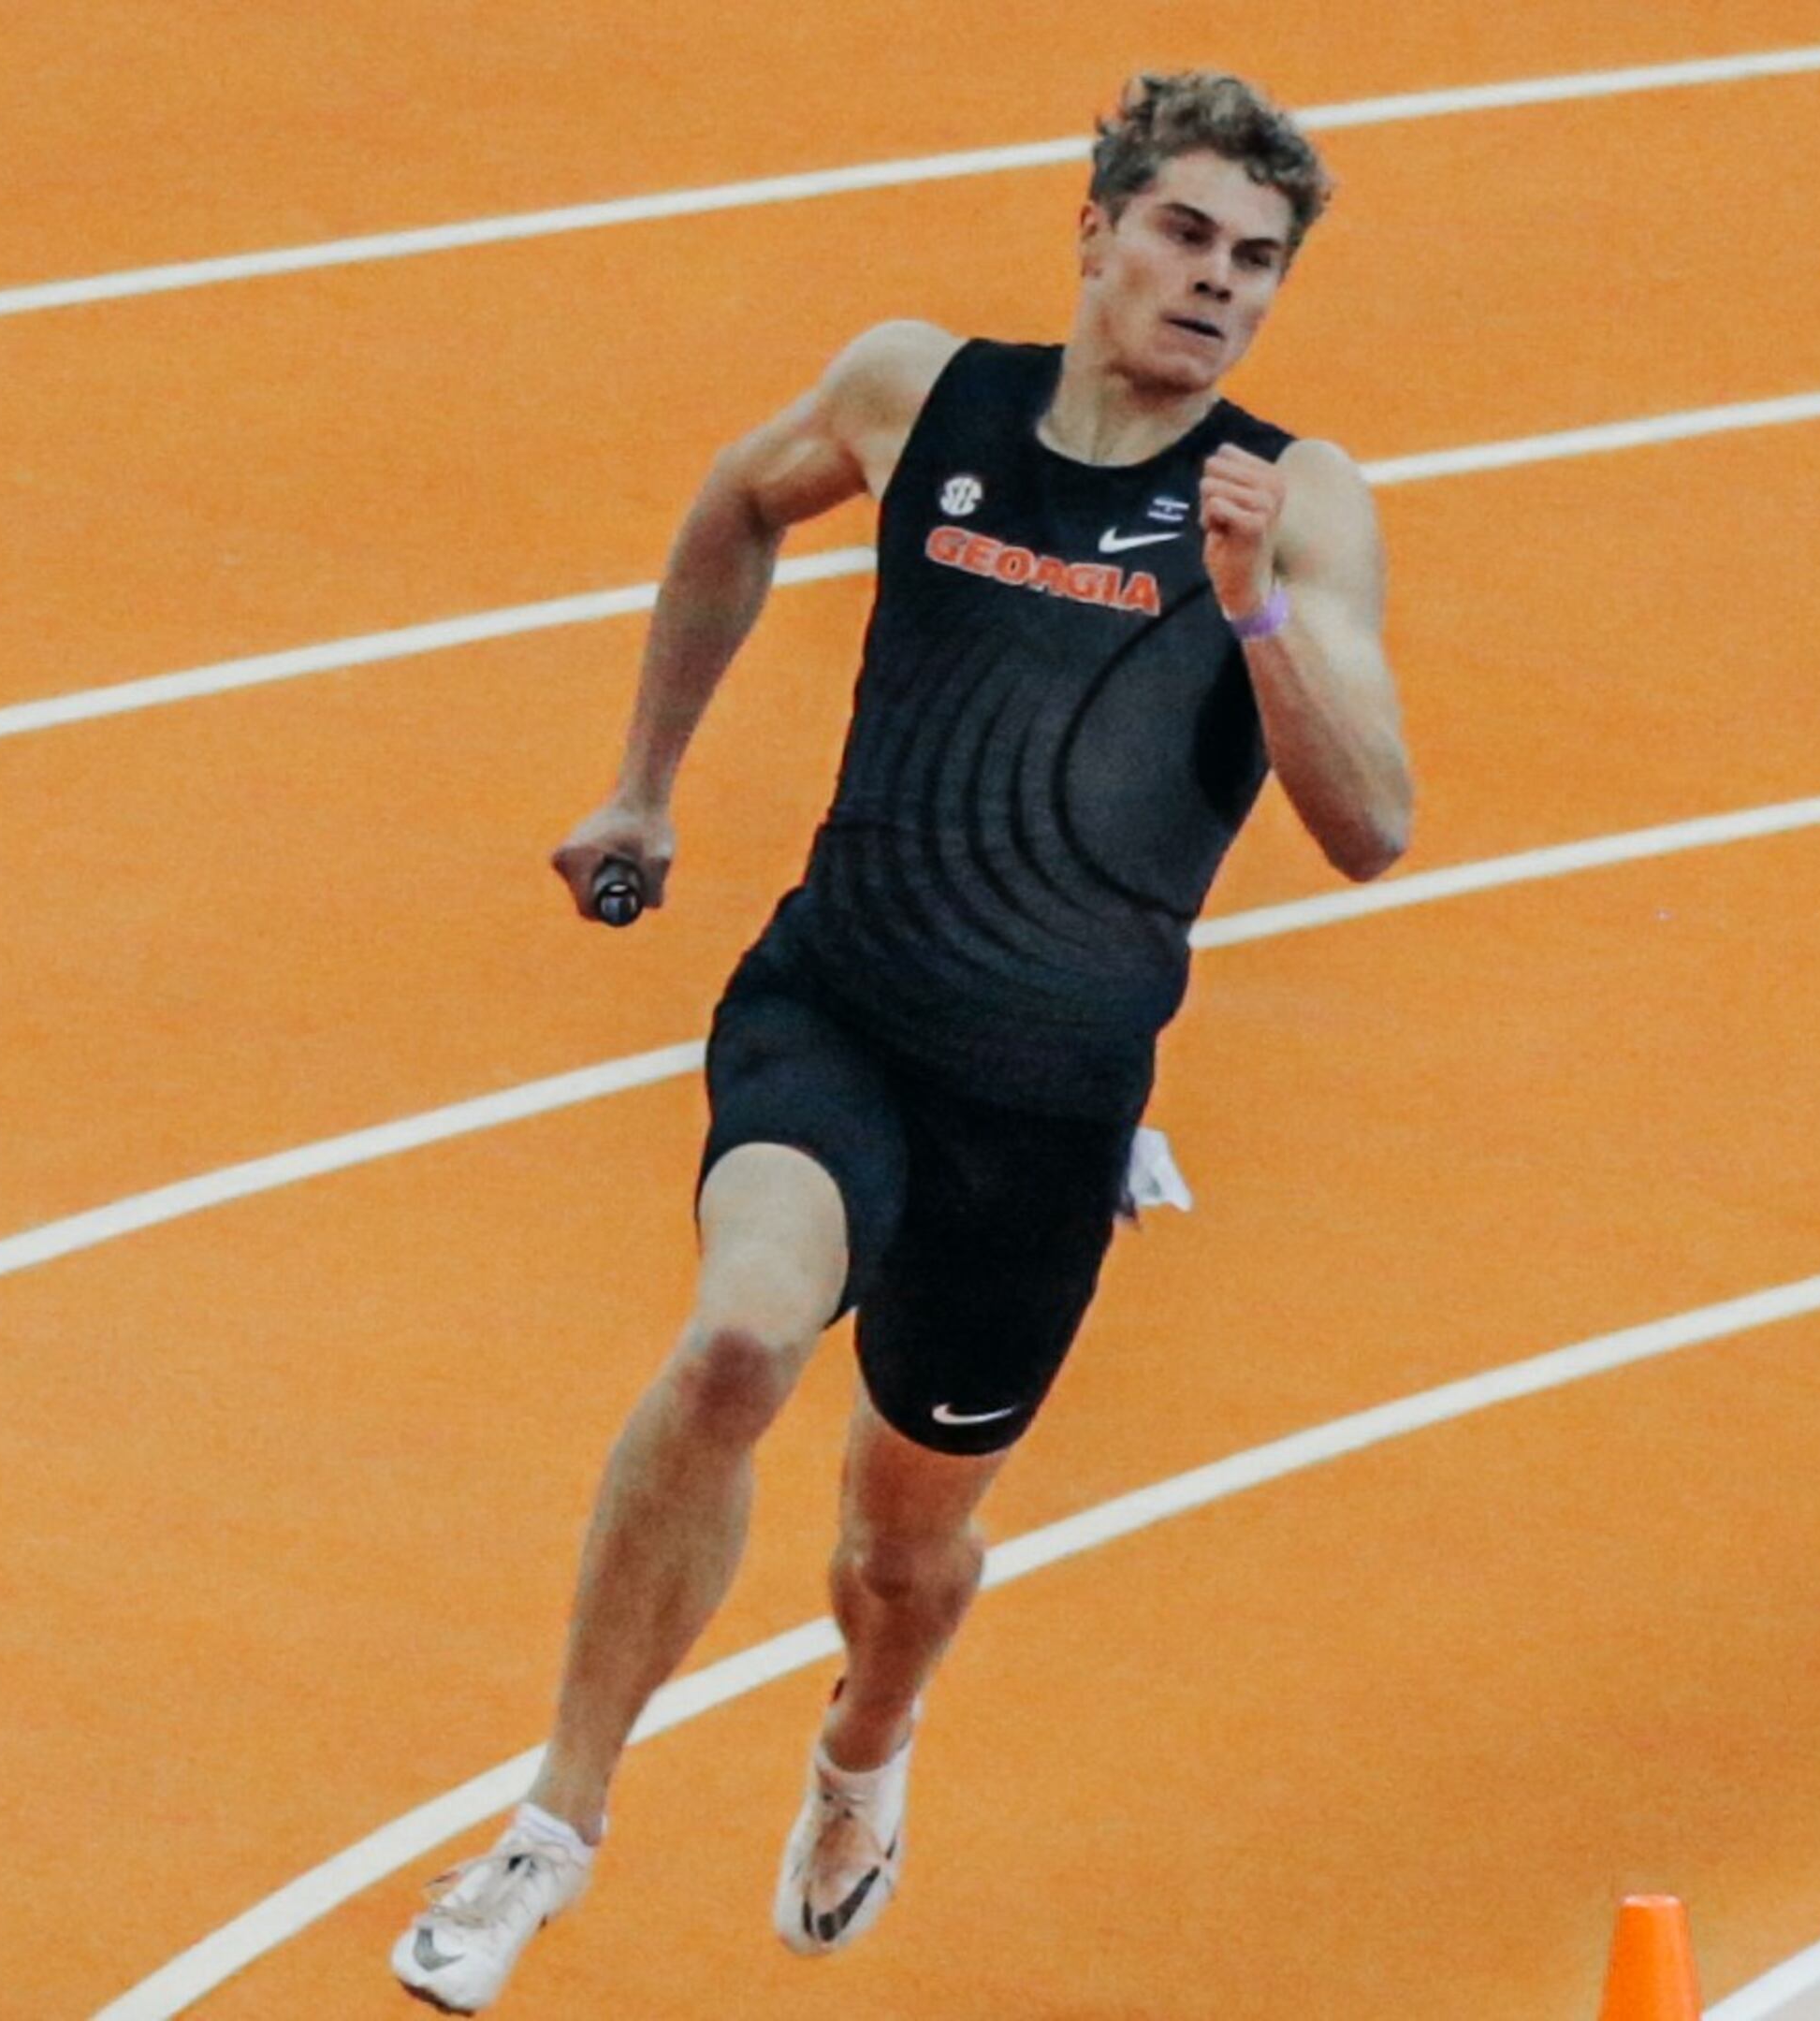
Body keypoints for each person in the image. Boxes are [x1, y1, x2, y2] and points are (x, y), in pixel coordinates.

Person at [393, 68, 1412, 2014]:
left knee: (900, 1552)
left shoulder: (1297, 502)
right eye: (1187, 235)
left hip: (1042, 1116)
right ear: (1096, 225)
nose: (1217, 285)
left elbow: (1371, 832)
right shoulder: (916, 394)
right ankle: (552, 1828)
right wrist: (643, 790)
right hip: (834, 1006)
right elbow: (730, 507)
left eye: (1257, 263)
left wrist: (1255, 610)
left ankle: (867, 1745)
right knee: (733, 1346)